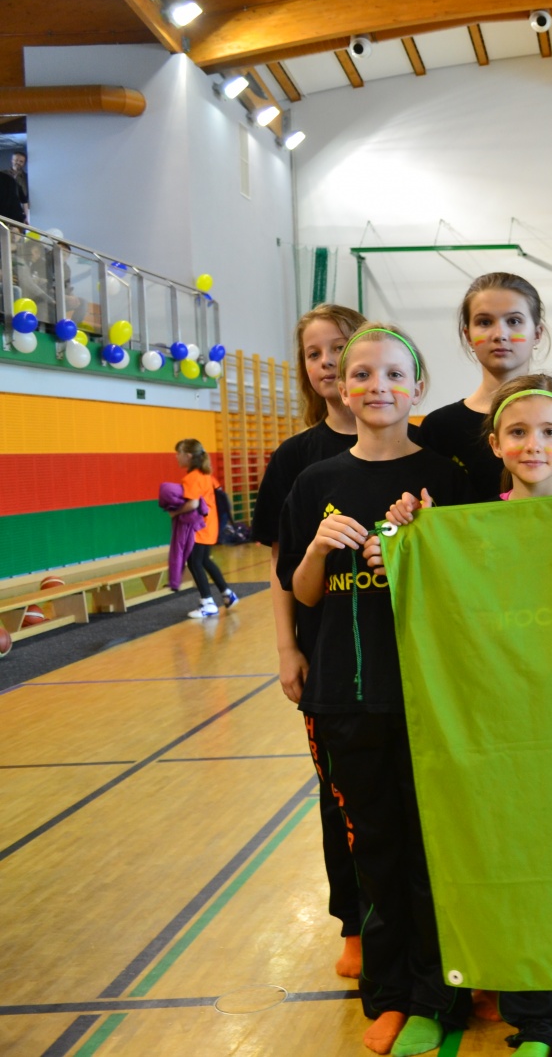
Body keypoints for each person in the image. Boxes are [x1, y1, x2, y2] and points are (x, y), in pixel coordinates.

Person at [390, 374, 552, 1055]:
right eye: (518, 432)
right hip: (505, 723)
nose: (533, 444)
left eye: (549, 432)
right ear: (494, 444)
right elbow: (405, 561)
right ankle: (532, 1020)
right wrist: (404, 529)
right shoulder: (468, 525)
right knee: (517, 863)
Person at [278, 322, 474, 1057]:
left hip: (428, 697)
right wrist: (318, 551)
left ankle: (441, 994)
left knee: (432, 853)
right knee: (377, 855)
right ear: (341, 385)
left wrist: (415, 559)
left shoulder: (447, 478)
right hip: (346, 696)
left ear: (418, 386)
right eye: (361, 374)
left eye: (394, 374)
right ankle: (389, 996)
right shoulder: (315, 482)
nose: (377, 386)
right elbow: (302, 592)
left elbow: (472, 588)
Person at [252, 302, 373, 978]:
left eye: (339, 348)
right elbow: (280, 567)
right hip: (329, 658)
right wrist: (286, 649)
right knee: (340, 797)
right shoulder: (297, 459)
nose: (327, 363)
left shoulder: (413, 446)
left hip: (399, 655)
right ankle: (353, 924)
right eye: (314, 353)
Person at [417, 272, 547, 502]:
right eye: (485, 322)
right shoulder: (439, 429)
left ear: (537, 333)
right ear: (468, 335)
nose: (499, 334)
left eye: (514, 321)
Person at [172, 438, 237, 619]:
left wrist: (175, 511)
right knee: (204, 560)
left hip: (198, 528)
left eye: (178, 453)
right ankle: (227, 593)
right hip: (210, 526)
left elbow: (193, 504)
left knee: (194, 563)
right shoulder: (207, 475)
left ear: (188, 456)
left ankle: (207, 603)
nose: (176, 457)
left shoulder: (191, 478)